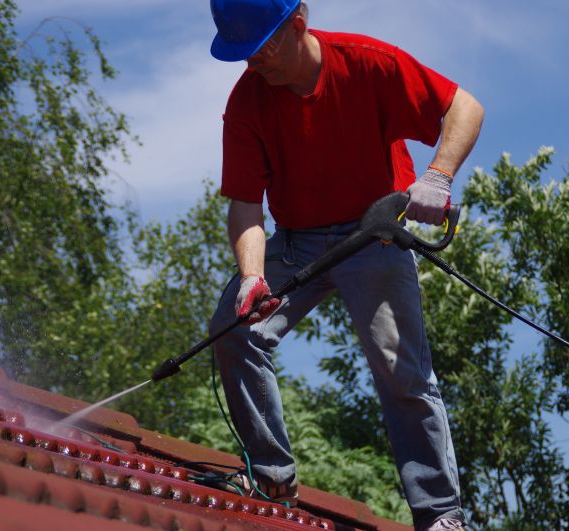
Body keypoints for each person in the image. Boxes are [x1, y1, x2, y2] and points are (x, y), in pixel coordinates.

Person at [207, 1, 483, 529]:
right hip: (297, 242)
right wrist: (252, 277)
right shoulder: (247, 103)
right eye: (241, 53)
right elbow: (245, 205)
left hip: (373, 235)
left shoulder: (366, 63)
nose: (252, 62)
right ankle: (272, 478)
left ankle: (440, 515)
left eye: (260, 46)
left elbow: (465, 108)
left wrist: (438, 178)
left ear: (297, 24)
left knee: (402, 372)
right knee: (234, 328)